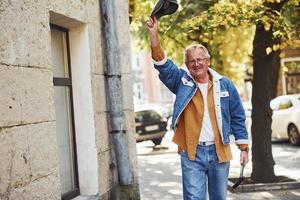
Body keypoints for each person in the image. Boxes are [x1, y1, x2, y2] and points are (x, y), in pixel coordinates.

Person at [146, 17, 249, 200]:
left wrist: (243, 148)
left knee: (218, 197)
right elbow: (163, 64)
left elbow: (237, 116)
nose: (196, 64)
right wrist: (154, 35)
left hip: (219, 151)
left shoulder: (225, 85)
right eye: (191, 61)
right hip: (192, 153)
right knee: (194, 198)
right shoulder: (182, 82)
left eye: (200, 59)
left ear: (208, 61)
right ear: (187, 65)